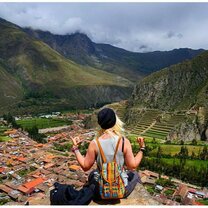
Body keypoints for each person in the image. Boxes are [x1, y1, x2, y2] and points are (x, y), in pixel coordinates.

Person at [71, 107, 146, 199]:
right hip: (121, 190)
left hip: (101, 191)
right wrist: (142, 148)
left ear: (100, 123)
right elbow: (132, 166)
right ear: (115, 121)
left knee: (92, 174)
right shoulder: (123, 141)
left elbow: (85, 166)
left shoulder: (94, 143)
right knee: (135, 175)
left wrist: (75, 149)